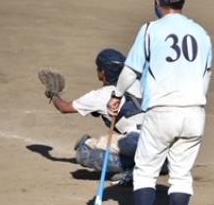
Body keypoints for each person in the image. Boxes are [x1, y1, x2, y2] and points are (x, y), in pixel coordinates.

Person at [107, 0, 213, 205]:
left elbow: (130, 70)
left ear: (157, 1)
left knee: (145, 172)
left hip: (162, 112)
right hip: (194, 113)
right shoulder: (202, 33)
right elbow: (206, 75)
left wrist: (116, 96)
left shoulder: (150, 30)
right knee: (182, 175)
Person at [48, 48, 144, 184]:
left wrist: (53, 94)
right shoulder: (140, 82)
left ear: (103, 73)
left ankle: (136, 168)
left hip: (136, 141)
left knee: (84, 151)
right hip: (161, 138)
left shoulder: (99, 96)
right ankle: (158, 163)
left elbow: (64, 107)